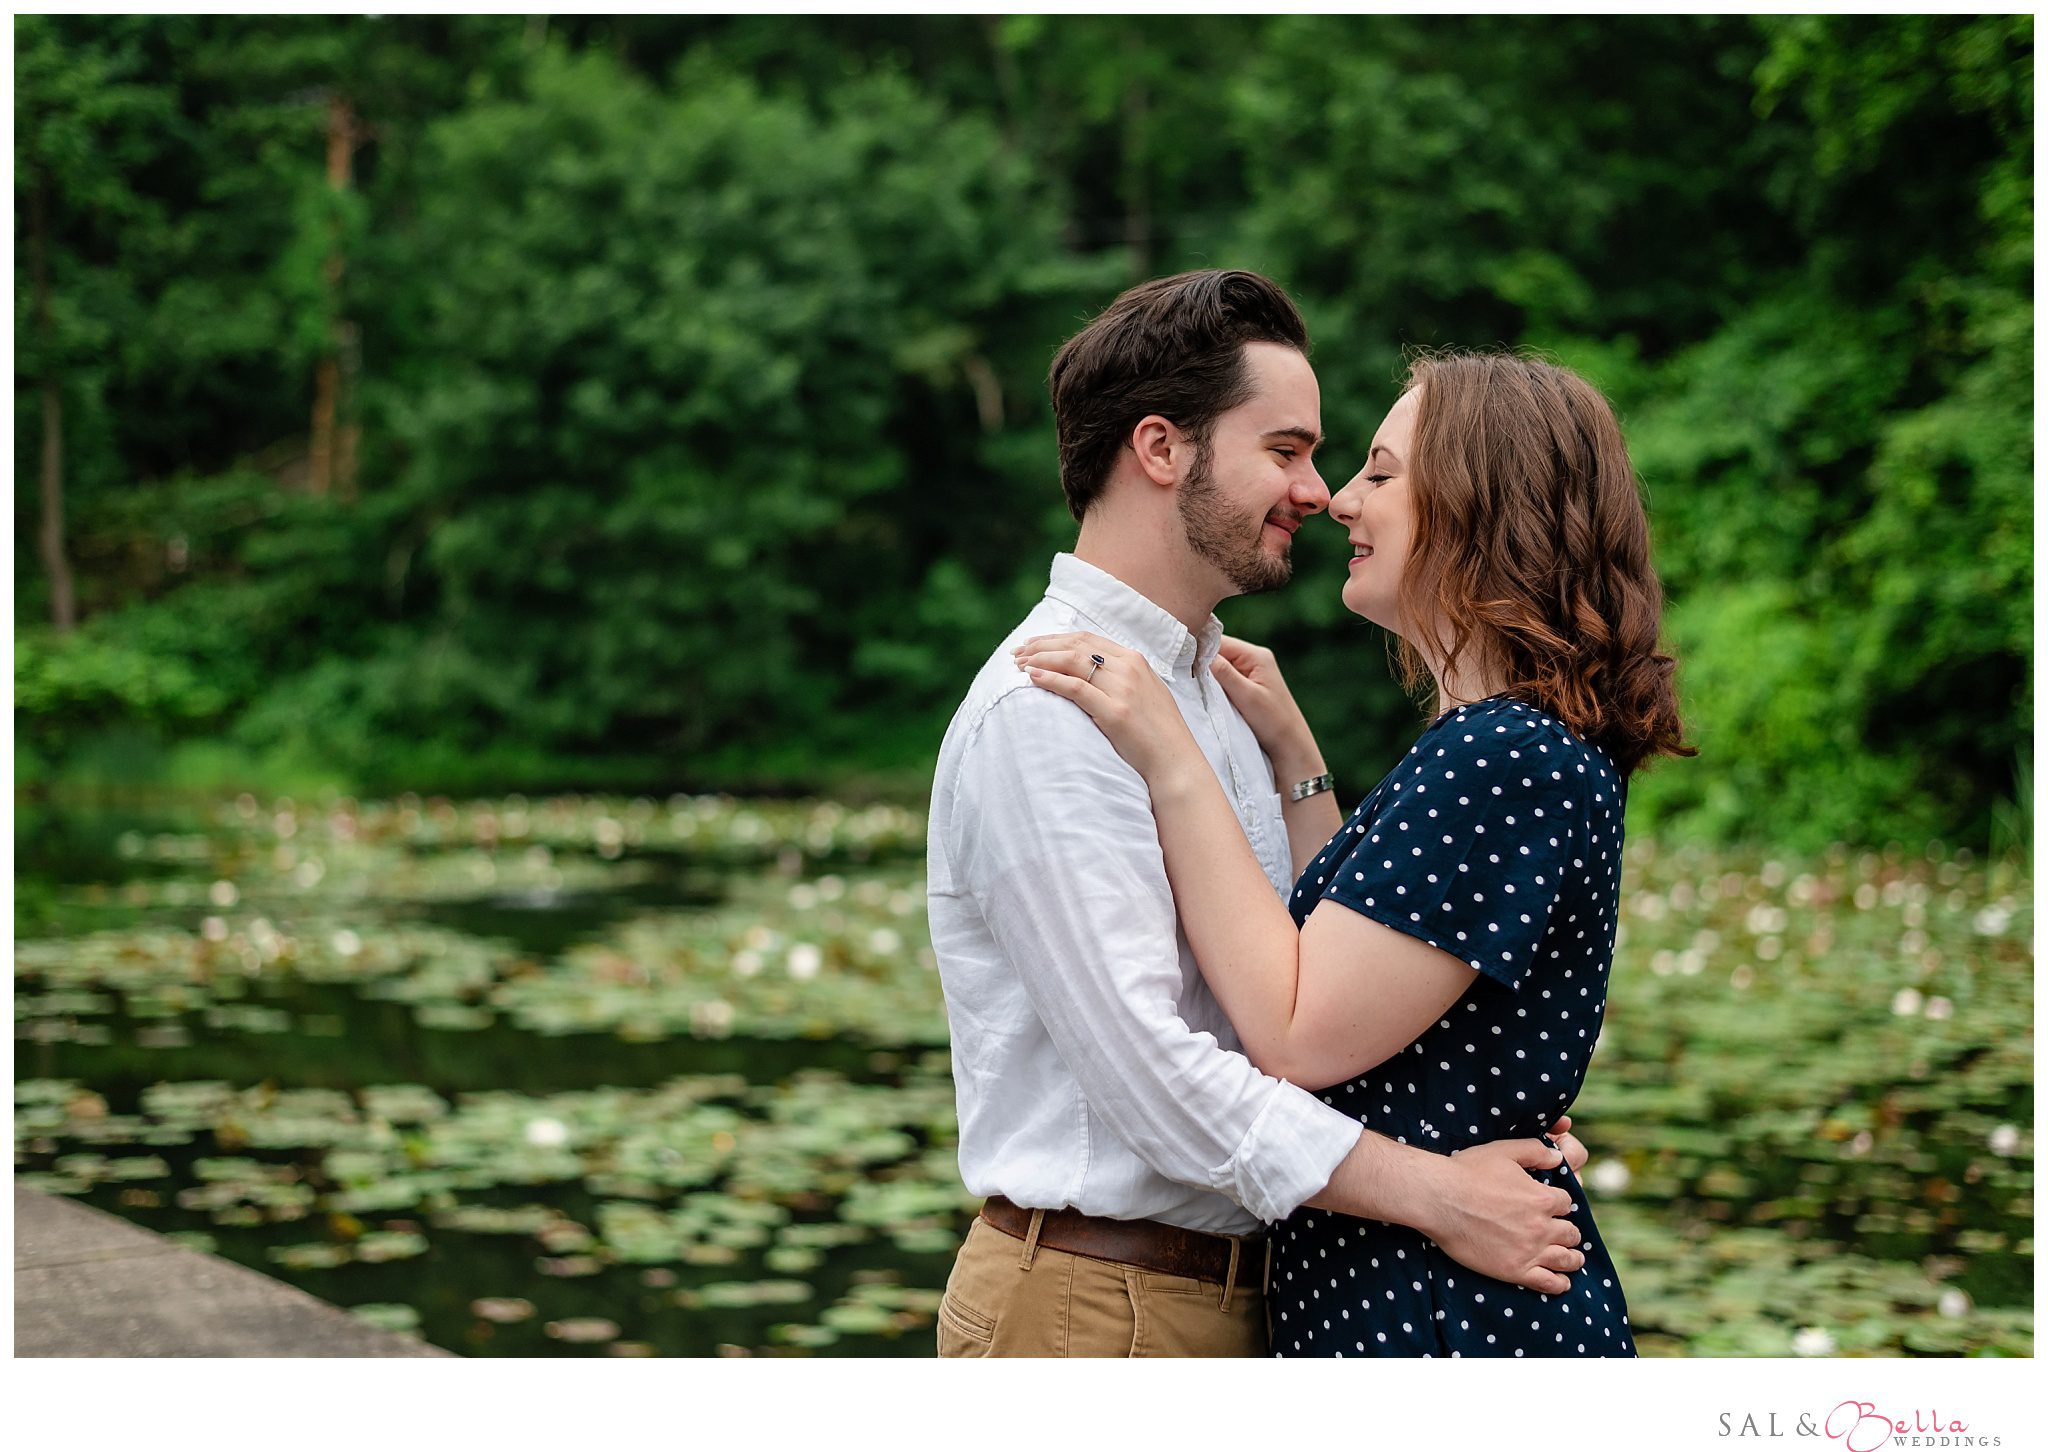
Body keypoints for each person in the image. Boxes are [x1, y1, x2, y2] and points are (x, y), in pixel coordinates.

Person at [928, 273, 1589, 1360]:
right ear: (1160, 449)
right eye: (1285, 451)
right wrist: (1435, 1190)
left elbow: (1305, 986)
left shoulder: (1215, 699)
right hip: (1099, 1309)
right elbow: (1158, 1081)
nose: (1319, 491)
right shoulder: (1048, 709)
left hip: (1247, 1297)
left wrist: (1473, 1105)